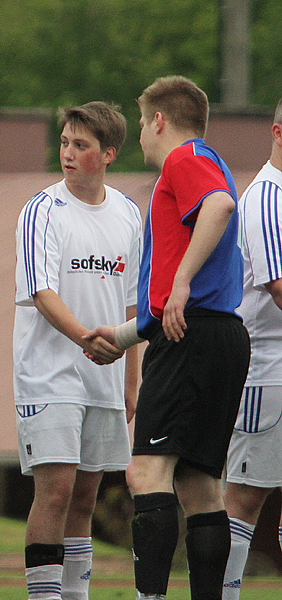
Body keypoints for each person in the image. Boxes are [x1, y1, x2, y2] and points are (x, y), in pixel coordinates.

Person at [85, 75, 250, 600]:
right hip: (220, 334)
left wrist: (180, 281)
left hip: (192, 338)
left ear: (159, 120)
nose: (140, 132)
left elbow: (220, 206)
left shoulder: (186, 160)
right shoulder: (211, 159)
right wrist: (124, 335)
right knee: (200, 486)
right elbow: (173, 303)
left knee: (145, 473)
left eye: (140, 122)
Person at [14, 101, 140, 600]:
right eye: (65, 142)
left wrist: (131, 381)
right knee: (57, 489)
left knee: (85, 497)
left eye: (81, 145)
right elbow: (42, 293)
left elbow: (133, 303)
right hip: (50, 373)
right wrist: (86, 337)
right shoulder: (42, 210)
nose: (68, 153)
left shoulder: (129, 213)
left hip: (105, 379)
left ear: (108, 154)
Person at [221, 98, 282, 600]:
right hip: (267, 370)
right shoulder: (265, 196)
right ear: (277, 132)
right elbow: (277, 286)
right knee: (244, 498)